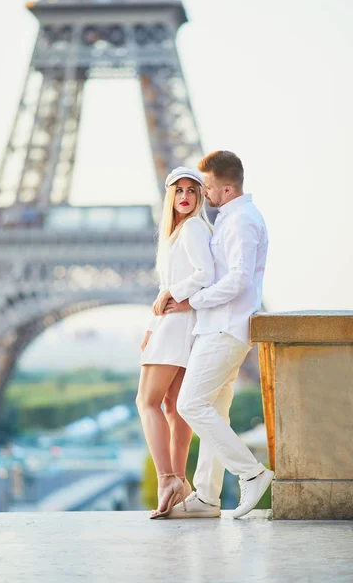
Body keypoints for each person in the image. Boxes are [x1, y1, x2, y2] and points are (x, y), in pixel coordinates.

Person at [160, 150, 274, 519]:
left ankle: (251, 472)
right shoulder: (231, 218)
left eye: (206, 186)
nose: (202, 193)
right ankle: (207, 497)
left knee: (189, 405)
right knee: (215, 411)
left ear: (226, 187)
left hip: (225, 327)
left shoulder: (240, 222)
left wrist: (195, 301)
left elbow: (239, 279)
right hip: (220, 326)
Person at [136, 166, 215, 519]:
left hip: (177, 325)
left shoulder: (194, 227)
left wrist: (173, 293)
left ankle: (167, 478)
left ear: (200, 196)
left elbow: (205, 274)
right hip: (175, 326)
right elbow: (168, 285)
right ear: (171, 196)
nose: (185, 196)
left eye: (192, 191)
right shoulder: (178, 231)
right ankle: (178, 479)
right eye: (179, 191)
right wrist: (153, 325)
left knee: (146, 401)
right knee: (172, 406)